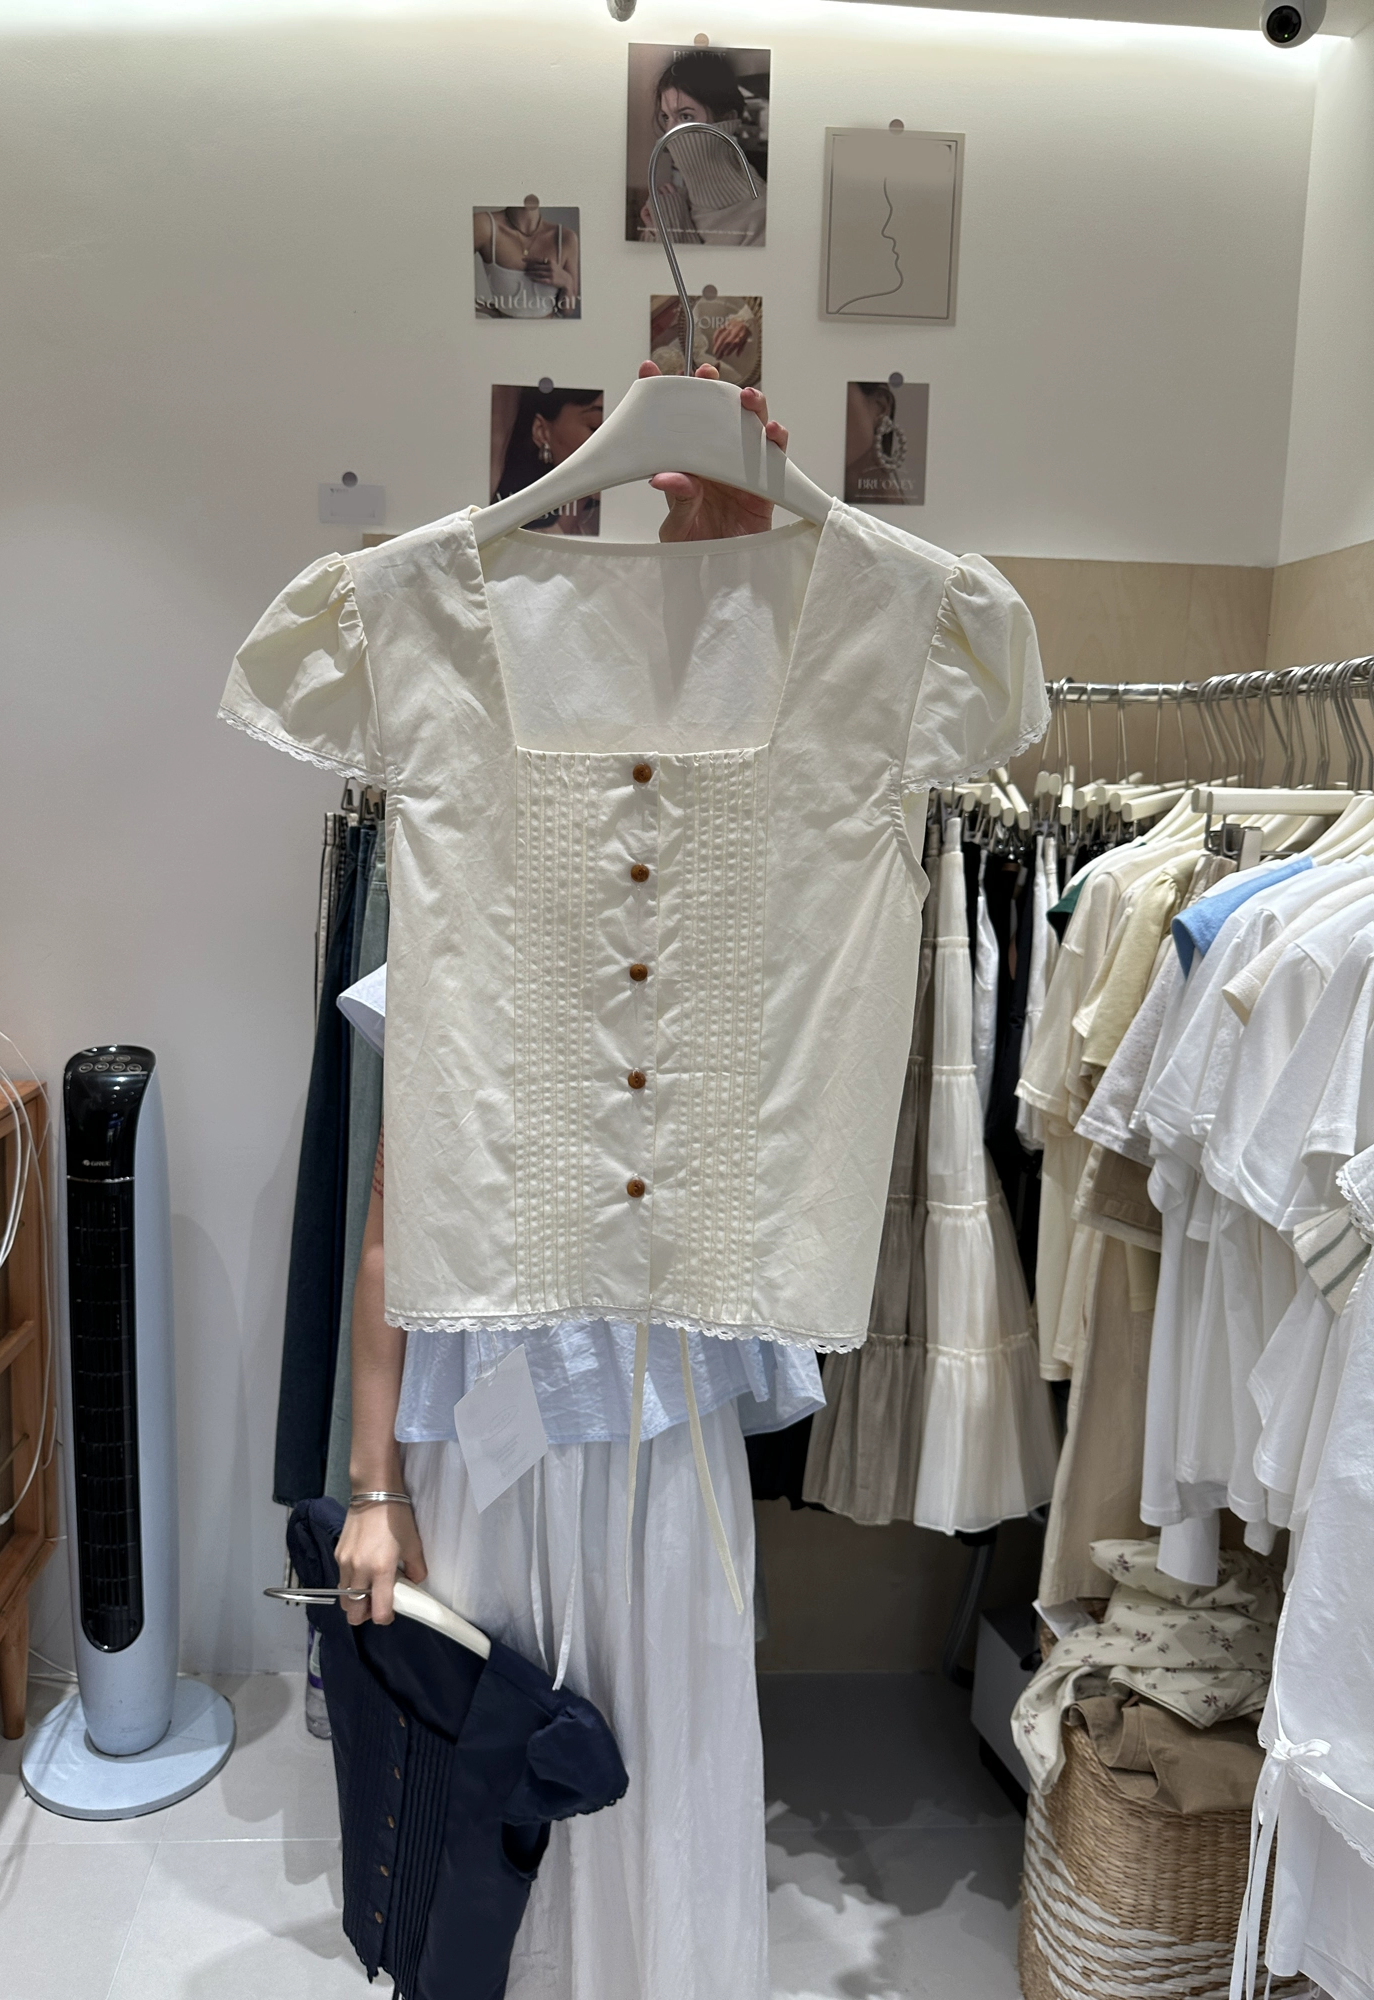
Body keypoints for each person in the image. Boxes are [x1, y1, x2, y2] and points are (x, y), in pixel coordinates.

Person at [335, 365, 807, 2000]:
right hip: (490, 1427)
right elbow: (390, 1225)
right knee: (497, 1757)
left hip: (662, 1419)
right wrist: (374, 1492)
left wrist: (737, 558)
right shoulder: (462, 922)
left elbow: (766, 771)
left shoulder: (722, 934)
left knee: (661, 1753)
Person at [637, 49, 767, 247]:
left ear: (726, 121)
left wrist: (672, 232)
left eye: (685, 116)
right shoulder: (669, 203)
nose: (670, 132)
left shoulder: (763, 214)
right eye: (666, 117)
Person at [492, 386, 604, 536]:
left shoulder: (601, 528)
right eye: (595, 426)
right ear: (542, 432)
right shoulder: (516, 539)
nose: (612, 442)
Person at [474, 204, 580, 319]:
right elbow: (456, 275)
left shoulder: (565, 237)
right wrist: (488, 310)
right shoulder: (484, 225)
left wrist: (567, 281)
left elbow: (566, 311)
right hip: (504, 331)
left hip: (549, 330)